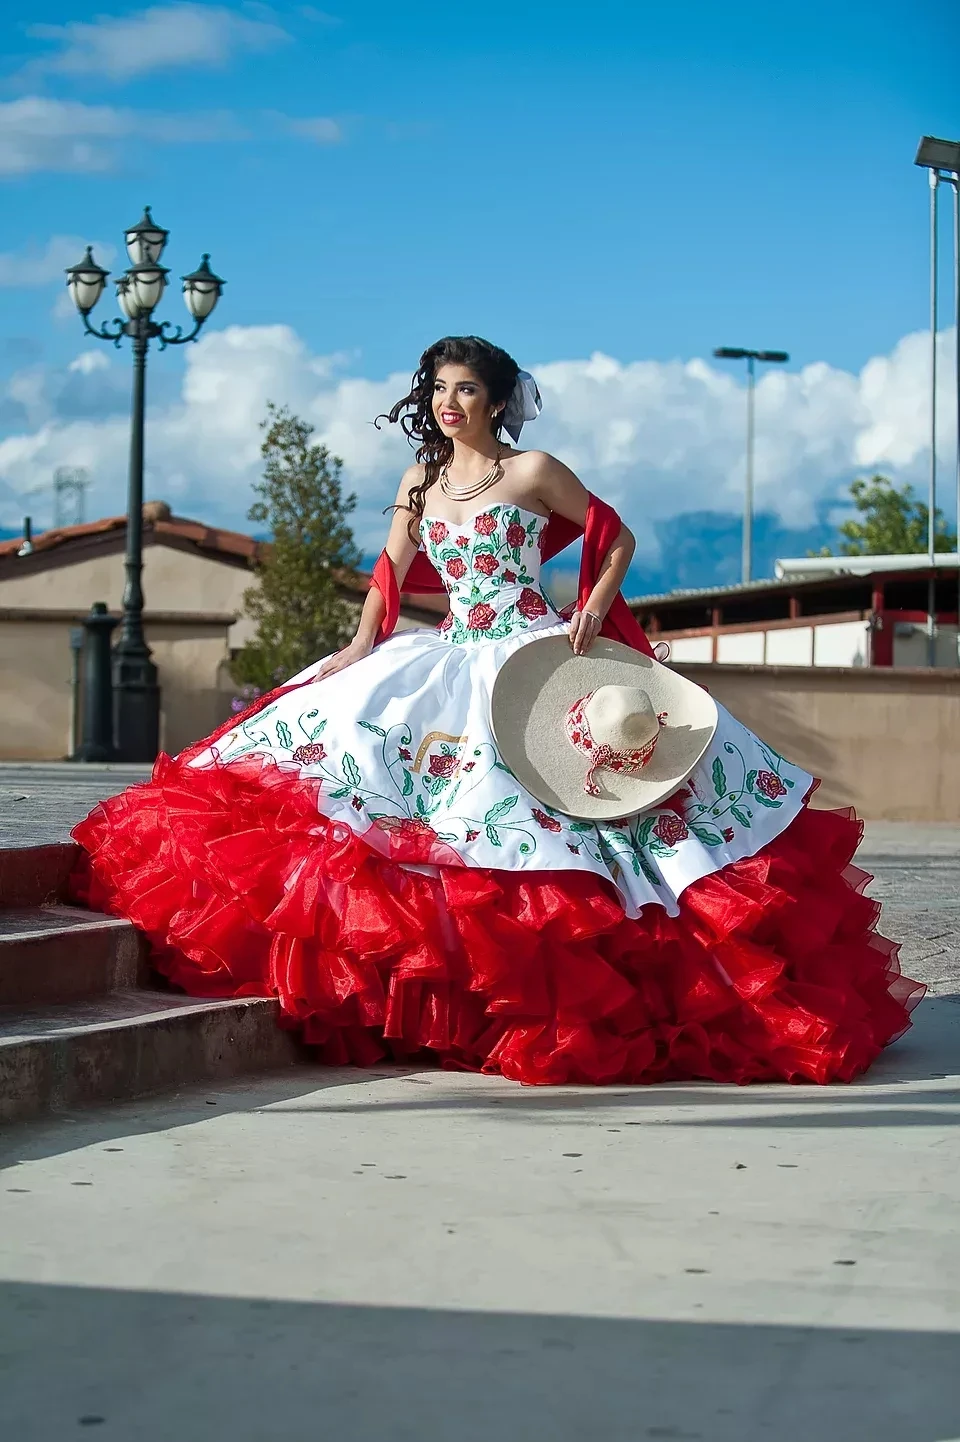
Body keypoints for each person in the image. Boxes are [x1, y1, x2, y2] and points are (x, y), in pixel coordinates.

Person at [69, 335, 923, 1085]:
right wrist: (359, 650)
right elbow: (390, 572)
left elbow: (613, 533)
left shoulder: (532, 472)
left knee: (565, 814)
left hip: (530, 650)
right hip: (443, 651)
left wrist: (591, 606)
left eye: (467, 389)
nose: (449, 404)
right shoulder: (419, 478)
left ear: (500, 399)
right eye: (439, 389)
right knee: (385, 791)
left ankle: (629, 985)